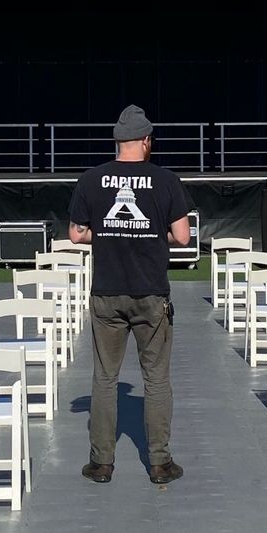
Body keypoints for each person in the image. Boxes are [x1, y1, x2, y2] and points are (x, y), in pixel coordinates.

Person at [68, 104, 190, 486]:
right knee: (156, 380)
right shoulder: (166, 180)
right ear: (147, 141)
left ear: (117, 142)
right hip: (151, 293)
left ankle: (101, 462)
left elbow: (76, 233)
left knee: (105, 378)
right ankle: (159, 462)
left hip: (107, 293)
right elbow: (183, 236)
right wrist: (154, 234)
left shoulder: (91, 179)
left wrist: (104, 234)